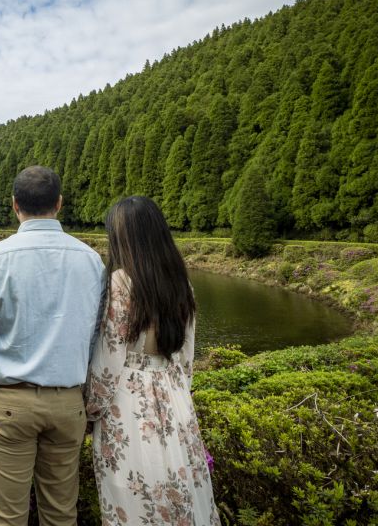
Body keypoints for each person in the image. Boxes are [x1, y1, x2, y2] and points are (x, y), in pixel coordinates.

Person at [0, 165, 105, 526]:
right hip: (69, 403)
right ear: (59, 203)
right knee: (61, 515)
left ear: (14, 205)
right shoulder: (91, 259)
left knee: (7, 519)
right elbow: (97, 336)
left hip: (8, 404)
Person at [86, 196, 220, 525]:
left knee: (133, 495)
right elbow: (186, 357)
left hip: (128, 403)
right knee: (181, 488)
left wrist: (90, 409)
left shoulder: (120, 283)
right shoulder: (181, 284)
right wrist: (177, 394)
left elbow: (109, 360)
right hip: (175, 399)